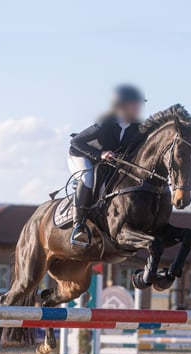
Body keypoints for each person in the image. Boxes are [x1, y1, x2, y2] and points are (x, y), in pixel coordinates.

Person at [67, 84, 146, 246]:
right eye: (135, 104)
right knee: (88, 177)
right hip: (81, 155)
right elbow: (76, 142)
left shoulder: (137, 127)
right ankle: (78, 226)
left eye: (139, 104)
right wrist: (100, 154)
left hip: (107, 162)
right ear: (122, 105)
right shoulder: (106, 122)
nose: (139, 107)